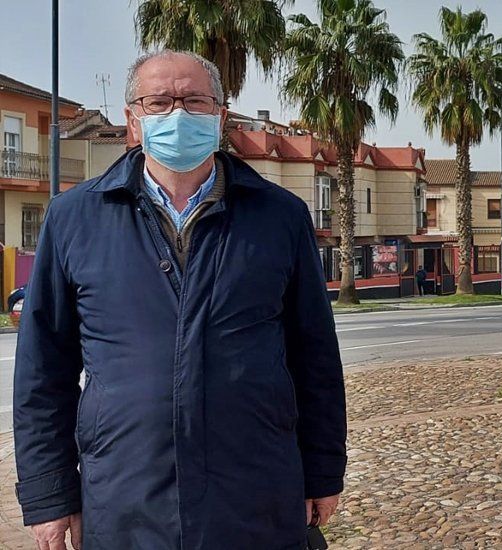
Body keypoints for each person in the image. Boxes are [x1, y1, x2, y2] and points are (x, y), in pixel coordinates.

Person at [13, 50, 347, 550]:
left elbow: (314, 354)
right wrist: (49, 495)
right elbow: (43, 371)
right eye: (159, 101)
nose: (177, 114)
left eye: (193, 100)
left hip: (257, 490)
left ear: (219, 116)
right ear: (132, 120)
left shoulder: (279, 216)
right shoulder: (74, 219)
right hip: (124, 497)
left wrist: (322, 470)